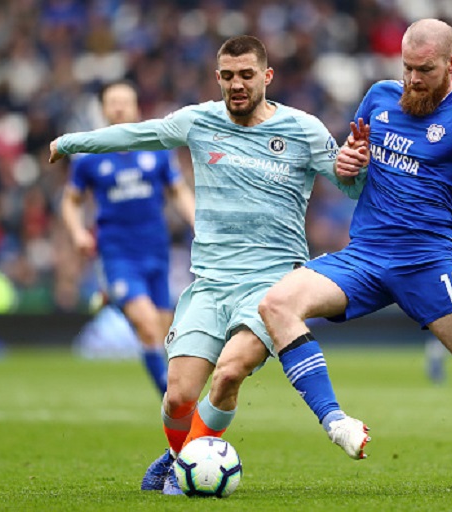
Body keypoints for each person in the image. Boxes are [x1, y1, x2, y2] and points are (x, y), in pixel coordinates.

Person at [49, 35, 366, 495]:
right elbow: (137, 133)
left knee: (230, 371)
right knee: (177, 396)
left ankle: (183, 474)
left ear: (266, 76)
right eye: (228, 76)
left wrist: (354, 170)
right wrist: (72, 142)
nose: (237, 85)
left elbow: (350, 188)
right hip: (210, 284)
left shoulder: (304, 129)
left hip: (272, 285)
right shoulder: (199, 121)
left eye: (246, 75)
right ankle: (180, 456)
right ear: (218, 77)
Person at [258, 18, 452, 493]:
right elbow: (349, 173)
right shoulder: (379, 97)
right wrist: (347, 162)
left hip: (430, 263)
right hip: (365, 257)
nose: (413, 79)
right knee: (276, 304)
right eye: (407, 68)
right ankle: (336, 422)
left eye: (425, 69)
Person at [59, 80, 195, 396]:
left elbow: (178, 191)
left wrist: (197, 223)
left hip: (156, 252)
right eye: (112, 101)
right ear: (104, 109)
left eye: (125, 101)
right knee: (147, 326)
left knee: (161, 335)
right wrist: (78, 232)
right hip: (117, 254)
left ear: (136, 107)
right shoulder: (89, 154)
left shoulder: (156, 149)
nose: (119, 106)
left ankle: (173, 402)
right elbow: (71, 200)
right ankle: (172, 401)